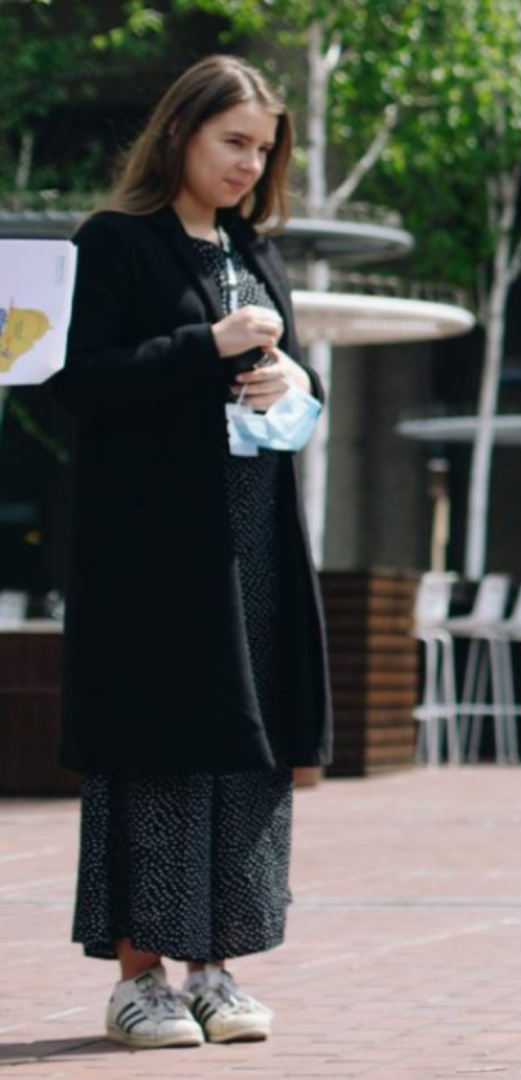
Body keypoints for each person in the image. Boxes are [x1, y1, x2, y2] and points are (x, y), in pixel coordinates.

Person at [52, 55, 322, 1050]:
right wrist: (203, 347)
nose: (251, 163)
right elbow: (79, 383)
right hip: (152, 555)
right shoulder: (116, 245)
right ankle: (140, 976)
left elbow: (287, 391)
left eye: (263, 147)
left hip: (251, 544)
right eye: (233, 141)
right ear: (180, 135)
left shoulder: (257, 253)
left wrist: (289, 381)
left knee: (243, 750)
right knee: (157, 748)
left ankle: (214, 965)